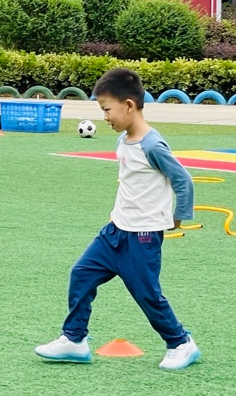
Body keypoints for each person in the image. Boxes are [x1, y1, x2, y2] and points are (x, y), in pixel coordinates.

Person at [34, 67, 200, 370]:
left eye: (107, 109)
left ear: (128, 105)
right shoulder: (124, 139)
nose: (105, 117)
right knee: (81, 274)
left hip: (143, 236)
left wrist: (179, 216)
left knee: (147, 294)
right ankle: (74, 339)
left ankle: (180, 343)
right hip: (115, 231)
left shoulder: (152, 145)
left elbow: (183, 180)